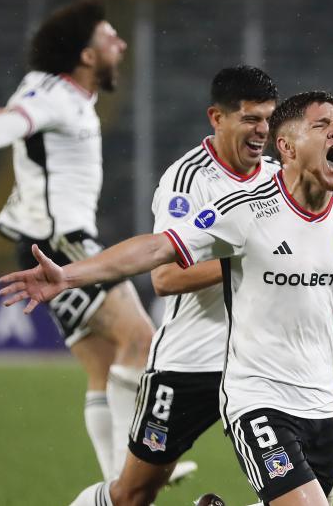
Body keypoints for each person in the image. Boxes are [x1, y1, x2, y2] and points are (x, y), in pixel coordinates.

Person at [0, 91, 333, 506]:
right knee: (137, 492)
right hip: (256, 399)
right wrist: (71, 276)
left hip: (321, 404)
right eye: (323, 125)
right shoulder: (247, 213)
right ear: (287, 146)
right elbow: (156, 249)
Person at [0, 0, 193, 484]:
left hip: (44, 243)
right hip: (61, 247)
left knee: (103, 367)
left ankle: (117, 484)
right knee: (141, 339)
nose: (121, 44)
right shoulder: (56, 97)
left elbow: (17, 116)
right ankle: (132, 474)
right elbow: (15, 121)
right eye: (110, 37)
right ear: (87, 55)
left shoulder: (57, 92)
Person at [68, 65, 279, 506]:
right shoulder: (187, 181)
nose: (263, 130)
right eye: (250, 119)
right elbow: (165, 277)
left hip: (262, 363)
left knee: (306, 488)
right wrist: (246, 263)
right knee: (133, 495)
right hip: (191, 363)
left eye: (267, 118)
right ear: (217, 118)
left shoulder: (280, 180)